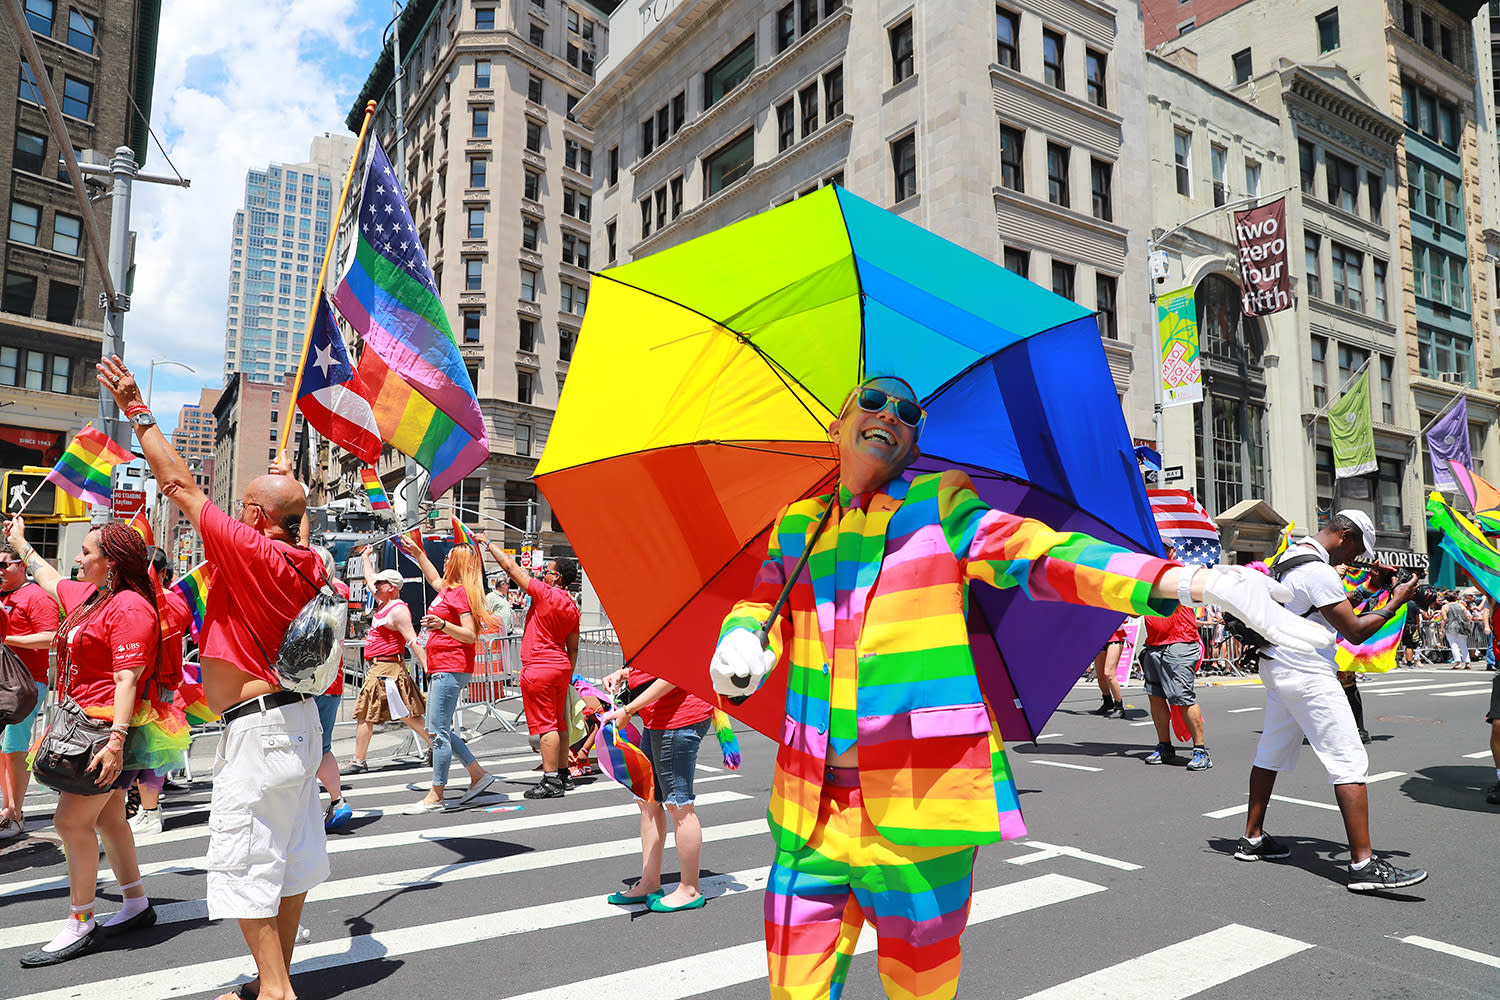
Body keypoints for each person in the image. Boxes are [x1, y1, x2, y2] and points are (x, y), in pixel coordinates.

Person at [709, 375, 1331, 999]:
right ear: (836, 424)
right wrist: (741, 639)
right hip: (807, 813)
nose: (889, 415)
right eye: (872, 402)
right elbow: (762, 603)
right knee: (792, 992)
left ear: (916, 438)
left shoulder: (938, 503)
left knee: (920, 991)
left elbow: (1041, 553)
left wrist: (1185, 582)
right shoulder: (799, 525)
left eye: (907, 411)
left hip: (923, 810)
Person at [99, 355, 330, 1000]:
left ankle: (277, 990)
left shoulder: (255, 551)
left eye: (244, 506)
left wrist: (138, 409)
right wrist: (289, 491)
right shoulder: (307, 559)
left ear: (254, 518)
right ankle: (271, 978)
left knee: (245, 864)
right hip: (298, 725)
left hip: (259, 736)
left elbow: (177, 485)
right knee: (286, 863)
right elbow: (289, 514)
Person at [6, 519, 180, 967]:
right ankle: (137, 904)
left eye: (87, 552)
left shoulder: (130, 608)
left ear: (113, 562)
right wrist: (19, 542)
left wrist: (118, 742)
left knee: (69, 824)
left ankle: (81, 921)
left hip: (103, 733)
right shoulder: (90, 596)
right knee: (108, 820)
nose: (78, 559)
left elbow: (127, 678)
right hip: (86, 726)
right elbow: (47, 576)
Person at [1234, 510, 1428, 893]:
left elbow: (1323, 612)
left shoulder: (1290, 558)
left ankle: (1252, 838)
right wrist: (1397, 600)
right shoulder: (1319, 571)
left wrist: (1371, 588)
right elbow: (1353, 631)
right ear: (1344, 534)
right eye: (1356, 547)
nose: (1355, 557)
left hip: (1278, 667)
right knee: (1349, 760)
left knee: (1270, 752)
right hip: (1308, 675)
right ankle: (1362, 865)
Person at [393, 535, 499, 812]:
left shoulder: (461, 593)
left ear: (458, 563)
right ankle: (478, 775)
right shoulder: (448, 589)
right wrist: (418, 554)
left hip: (451, 667)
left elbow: (470, 635)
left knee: (437, 733)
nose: (445, 559)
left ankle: (437, 795)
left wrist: (442, 625)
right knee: (437, 728)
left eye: (449, 557)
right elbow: (433, 578)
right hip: (444, 667)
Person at [601, 666, 713, 912]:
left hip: (679, 720)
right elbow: (658, 665)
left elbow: (676, 673)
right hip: (657, 719)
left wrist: (628, 709)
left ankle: (690, 889)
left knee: (679, 804)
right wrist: (625, 674)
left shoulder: (683, 627)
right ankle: (650, 882)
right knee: (648, 801)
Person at [479, 535, 580, 799]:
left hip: (540, 665)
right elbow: (574, 647)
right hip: (559, 667)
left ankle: (551, 781)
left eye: (548, 571)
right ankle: (562, 774)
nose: (543, 573)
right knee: (559, 723)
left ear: (556, 578)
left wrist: (488, 543)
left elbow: (511, 568)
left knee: (547, 726)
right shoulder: (572, 605)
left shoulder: (545, 593)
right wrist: (568, 673)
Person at [341, 551, 433, 775]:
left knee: (378, 714)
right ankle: (437, 746)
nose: (375, 585)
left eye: (381, 583)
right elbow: (370, 577)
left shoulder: (398, 610)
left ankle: (358, 761)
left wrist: (428, 667)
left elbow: (412, 640)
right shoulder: (384, 601)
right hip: (380, 667)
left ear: (392, 586)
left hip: (388, 668)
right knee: (405, 714)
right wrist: (365, 558)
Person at [126, 548, 194, 842]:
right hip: (159, 684)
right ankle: (147, 810)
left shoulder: (146, 602)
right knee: (149, 750)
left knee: (142, 750)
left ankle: (147, 812)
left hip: (146, 685)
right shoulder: (174, 603)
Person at [0, 542, 60, 840]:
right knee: (4, 750)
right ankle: (7, 809)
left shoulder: (37, 596)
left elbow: (52, 637)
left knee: (14, 748)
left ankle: (15, 812)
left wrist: (7, 638)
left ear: (22, 565)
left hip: (23, 683)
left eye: (4, 565)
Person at [1139, 541, 1211, 771]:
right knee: (1156, 697)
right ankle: (1165, 746)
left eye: (1163, 548)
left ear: (1172, 551)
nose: (1157, 551)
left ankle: (1201, 751)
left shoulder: (1179, 573)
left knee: (1183, 697)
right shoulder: (1144, 576)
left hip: (1180, 644)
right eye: (1154, 548)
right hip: (1154, 645)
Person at [310, 547, 353, 831]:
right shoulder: (340, 590)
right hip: (329, 679)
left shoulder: (320, 592)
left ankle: (333, 803)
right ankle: (335, 802)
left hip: (312, 681)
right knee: (320, 747)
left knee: (311, 747)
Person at [1089, 624, 1127, 718]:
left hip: (1116, 637)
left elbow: (1136, 615)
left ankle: (1119, 707)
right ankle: (1107, 702)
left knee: (1109, 674)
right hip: (1100, 636)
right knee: (1100, 676)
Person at [1443, 591, 1472, 667]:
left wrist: (1442, 628)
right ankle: (1467, 662)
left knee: (1453, 644)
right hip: (1462, 626)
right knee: (1463, 644)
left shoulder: (1445, 606)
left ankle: (1458, 662)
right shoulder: (1461, 606)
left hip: (1450, 626)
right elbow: (1468, 616)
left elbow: (1444, 618)